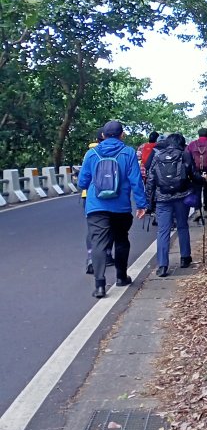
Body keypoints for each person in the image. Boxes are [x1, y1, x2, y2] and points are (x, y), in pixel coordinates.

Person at [77, 120, 148, 298]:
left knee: (98, 244)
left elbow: (82, 182)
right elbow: (136, 180)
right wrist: (142, 204)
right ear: (121, 134)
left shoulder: (91, 153)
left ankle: (100, 285)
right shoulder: (128, 152)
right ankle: (121, 277)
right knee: (121, 240)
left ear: (103, 135)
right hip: (120, 207)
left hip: (96, 206)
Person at [145, 133, 202, 277]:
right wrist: (202, 181)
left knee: (163, 231)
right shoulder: (185, 155)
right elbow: (194, 175)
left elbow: (150, 179)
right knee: (182, 226)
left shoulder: (158, 156)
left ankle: (163, 266)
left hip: (162, 198)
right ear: (181, 143)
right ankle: (185, 258)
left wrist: (148, 202)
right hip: (182, 197)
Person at [83, 129, 114, 274]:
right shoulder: (120, 151)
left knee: (94, 231)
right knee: (111, 228)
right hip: (114, 197)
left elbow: (83, 180)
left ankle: (91, 257)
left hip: (91, 196)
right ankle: (107, 253)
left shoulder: (91, 152)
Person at [186, 127, 207, 217]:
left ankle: (197, 211)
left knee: (197, 190)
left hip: (195, 172)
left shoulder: (192, 145)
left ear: (199, 135)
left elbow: (187, 159)